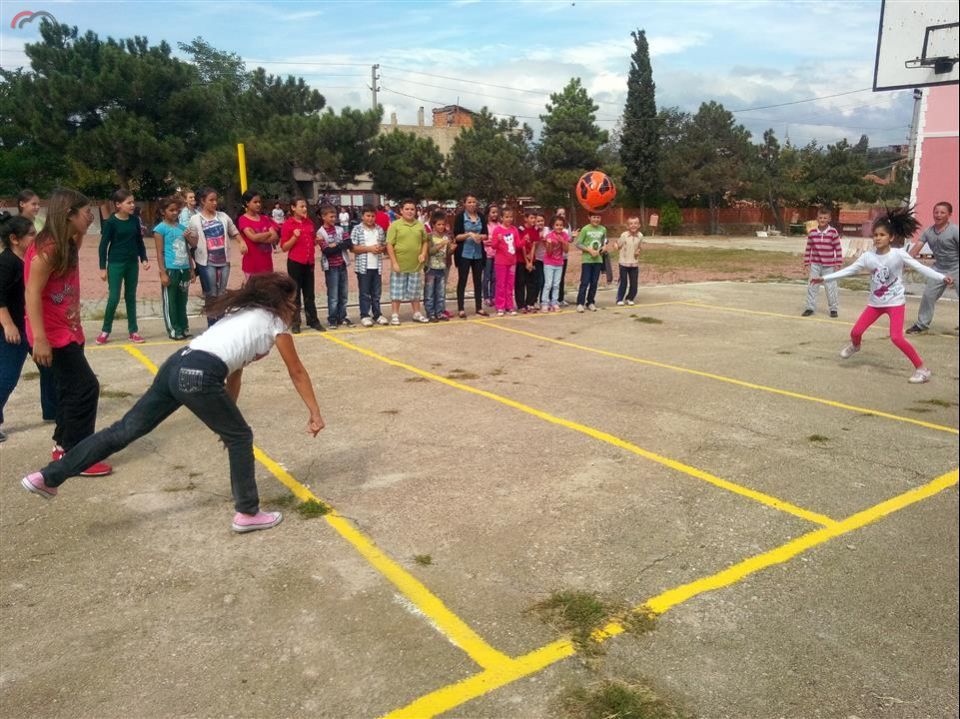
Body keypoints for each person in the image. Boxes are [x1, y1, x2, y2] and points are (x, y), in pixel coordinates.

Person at [21, 273, 325, 534]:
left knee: (123, 430)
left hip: (176, 365)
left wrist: (226, 420)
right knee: (242, 436)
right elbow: (296, 370)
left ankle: (46, 477)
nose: (294, 306)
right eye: (293, 300)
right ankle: (247, 513)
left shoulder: (240, 316)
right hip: (199, 374)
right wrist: (314, 412)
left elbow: (234, 374)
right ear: (281, 301)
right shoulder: (273, 322)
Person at [25, 188, 111, 476]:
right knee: (86, 388)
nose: (90, 217)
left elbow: (79, 233)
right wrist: (39, 339)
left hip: (69, 328)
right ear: (68, 215)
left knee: (69, 390)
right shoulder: (47, 251)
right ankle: (77, 455)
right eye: (85, 212)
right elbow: (32, 294)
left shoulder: (67, 243)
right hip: (51, 334)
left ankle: (63, 446)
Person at [814, 207, 954, 384]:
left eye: (882, 235)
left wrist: (942, 277)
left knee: (896, 337)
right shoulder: (868, 257)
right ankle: (856, 346)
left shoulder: (898, 255)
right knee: (855, 332)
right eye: (875, 235)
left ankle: (922, 369)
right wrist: (824, 278)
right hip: (875, 303)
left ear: (891, 238)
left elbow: (921, 268)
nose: (877, 238)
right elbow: (849, 270)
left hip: (895, 303)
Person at [0, 212, 53, 441]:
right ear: (14, 239)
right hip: (12, 329)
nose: (36, 238)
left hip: (30, 325)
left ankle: (53, 411)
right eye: (31, 235)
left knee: (49, 367)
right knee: (7, 376)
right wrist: (8, 325)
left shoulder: (30, 260)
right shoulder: (6, 262)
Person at [96, 189, 150, 344]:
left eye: (133, 202)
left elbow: (139, 242)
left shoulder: (134, 220)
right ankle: (106, 330)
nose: (133, 205)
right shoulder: (111, 223)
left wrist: (144, 259)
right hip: (115, 263)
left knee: (130, 296)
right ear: (118, 205)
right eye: (129, 202)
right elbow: (103, 245)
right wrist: (102, 267)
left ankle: (133, 331)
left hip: (132, 263)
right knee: (114, 297)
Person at [187, 188, 240, 327]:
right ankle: (212, 323)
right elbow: (193, 243)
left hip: (223, 260)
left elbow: (234, 231)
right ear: (203, 201)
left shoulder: (223, 216)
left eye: (216, 200)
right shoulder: (195, 219)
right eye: (211, 200)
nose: (214, 203)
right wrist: (188, 238)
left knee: (222, 292)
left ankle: (221, 322)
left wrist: (242, 242)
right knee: (211, 293)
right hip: (206, 261)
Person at [906, 201, 959, 334]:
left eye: (942, 212)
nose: (938, 215)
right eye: (936, 212)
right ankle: (922, 325)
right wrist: (904, 261)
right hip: (938, 269)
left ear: (949, 215)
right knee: (928, 295)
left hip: (957, 267)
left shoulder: (955, 231)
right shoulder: (928, 232)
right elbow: (916, 248)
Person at [153, 196, 195, 341]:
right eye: (171, 210)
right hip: (171, 269)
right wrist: (163, 272)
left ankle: (183, 327)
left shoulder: (182, 228)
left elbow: (190, 248)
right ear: (163, 212)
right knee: (170, 301)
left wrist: (191, 268)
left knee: (182, 300)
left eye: (177, 210)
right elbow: (159, 253)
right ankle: (173, 329)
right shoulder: (160, 229)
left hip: (184, 268)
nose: (175, 213)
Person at [280, 198, 323, 334]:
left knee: (309, 293)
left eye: (305, 206)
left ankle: (313, 320)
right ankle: (295, 322)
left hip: (309, 262)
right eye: (301, 206)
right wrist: (294, 237)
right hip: (295, 262)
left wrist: (316, 240)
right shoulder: (288, 225)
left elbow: (311, 241)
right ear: (293, 208)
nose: (304, 209)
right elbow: (284, 247)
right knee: (295, 293)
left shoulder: (309, 222)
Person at [386, 199, 429, 325]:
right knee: (397, 292)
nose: (410, 212)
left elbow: (425, 241)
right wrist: (394, 262)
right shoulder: (395, 225)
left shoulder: (420, 225)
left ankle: (416, 313)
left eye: (412, 209)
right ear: (401, 211)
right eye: (407, 209)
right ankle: (395, 315)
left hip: (415, 265)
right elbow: (389, 244)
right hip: (399, 265)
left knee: (415, 292)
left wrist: (423, 253)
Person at [350, 205, 389, 327]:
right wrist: (369, 249)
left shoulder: (379, 229)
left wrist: (380, 248)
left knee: (376, 293)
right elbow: (353, 248)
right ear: (362, 216)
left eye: (373, 216)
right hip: (363, 267)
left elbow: (383, 245)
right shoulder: (357, 229)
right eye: (368, 216)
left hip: (376, 266)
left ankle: (377, 314)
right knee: (364, 292)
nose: (370, 218)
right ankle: (364, 315)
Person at [802, 208, 842, 318]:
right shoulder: (812, 233)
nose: (822, 220)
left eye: (825, 218)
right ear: (817, 219)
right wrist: (806, 262)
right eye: (820, 218)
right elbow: (808, 248)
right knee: (812, 285)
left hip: (829, 265)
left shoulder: (833, 232)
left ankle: (833, 309)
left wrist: (838, 263)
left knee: (831, 287)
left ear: (829, 219)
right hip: (815, 264)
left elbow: (837, 248)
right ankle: (810, 307)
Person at [452, 194, 488, 319]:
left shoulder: (481, 216)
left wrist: (480, 237)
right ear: (465, 204)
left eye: (474, 202)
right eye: (469, 202)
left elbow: (486, 235)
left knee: (478, 280)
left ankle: (479, 307)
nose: (472, 204)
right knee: (462, 280)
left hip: (478, 253)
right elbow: (456, 236)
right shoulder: (460, 217)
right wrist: (469, 235)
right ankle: (461, 308)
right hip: (464, 253)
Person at [317, 204, 352, 329]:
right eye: (331, 217)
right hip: (331, 267)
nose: (333, 219)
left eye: (334, 217)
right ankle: (332, 318)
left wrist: (335, 245)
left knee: (343, 293)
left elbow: (349, 243)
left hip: (342, 265)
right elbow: (327, 251)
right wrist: (339, 245)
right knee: (333, 295)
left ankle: (342, 316)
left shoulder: (340, 229)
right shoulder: (320, 232)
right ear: (323, 217)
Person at [490, 207, 523, 316]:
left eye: (511, 217)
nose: (509, 219)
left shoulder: (514, 229)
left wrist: (525, 241)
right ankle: (500, 306)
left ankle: (509, 306)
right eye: (506, 217)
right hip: (500, 262)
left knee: (510, 285)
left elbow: (518, 245)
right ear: (502, 218)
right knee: (501, 284)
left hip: (512, 261)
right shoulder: (497, 230)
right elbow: (493, 246)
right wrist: (497, 240)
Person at [236, 190, 277, 280]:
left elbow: (275, 237)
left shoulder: (264, 218)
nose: (258, 204)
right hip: (252, 264)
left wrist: (259, 237)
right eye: (255, 202)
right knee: (254, 292)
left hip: (267, 263)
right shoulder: (243, 219)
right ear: (247, 203)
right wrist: (268, 233)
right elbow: (253, 238)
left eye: (259, 202)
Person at [575, 212, 608, 312]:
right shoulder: (585, 229)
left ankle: (590, 302)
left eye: (598, 217)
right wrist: (589, 250)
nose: (596, 219)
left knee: (594, 282)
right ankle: (580, 303)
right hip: (587, 260)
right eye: (594, 217)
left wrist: (604, 248)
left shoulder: (603, 229)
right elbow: (578, 244)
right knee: (585, 282)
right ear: (589, 217)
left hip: (598, 260)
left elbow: (605, 242)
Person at [424, 210, 451, 322]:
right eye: (438, 224)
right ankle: (430, 313)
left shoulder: (446, 237)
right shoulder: (430, 237)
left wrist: (451, 249)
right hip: (431, 268)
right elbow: (429, 251)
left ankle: (439, 312)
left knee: (440, 292)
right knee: (429, 292)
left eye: (443, 224)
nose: (441, 227)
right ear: (433, 225)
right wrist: (440, 245)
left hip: (442, 267)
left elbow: (447, 252)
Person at [540, 214, 570, 312]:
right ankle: (544, 303)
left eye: (561, 225)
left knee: (556, 284)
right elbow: (548, 253)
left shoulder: (565, 235)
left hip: (559, 263)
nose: (559, 227)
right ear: (553, 226)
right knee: (548, 284)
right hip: (549, 263)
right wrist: (549, 244)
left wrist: (563, 242)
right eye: (557, 225)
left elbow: (566, 251)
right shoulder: (549, 235)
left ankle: (555, 302)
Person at [615, 216, 643, 305]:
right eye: (631, 224)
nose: (633, 225)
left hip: (634, 263)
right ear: (627, 226)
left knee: (634, 283)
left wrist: (638, 251)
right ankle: (619, 299)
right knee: (624, 282)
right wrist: (616, 246)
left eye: (635, 223)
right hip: (623, 263)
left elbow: (639, 247)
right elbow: (617, 244)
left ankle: (630, 298)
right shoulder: (624, 235)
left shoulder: (640, 236)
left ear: (639, 225)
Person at [516, 209, 539, 313]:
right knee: (520, 283)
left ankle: (530, 303)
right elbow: (523, 246)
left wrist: (531, 260)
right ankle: (521, 305)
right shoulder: (520, 229)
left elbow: (534, 245)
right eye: (531, 218)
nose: (534, 220)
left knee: (531, 283)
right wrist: (526, 262)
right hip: (521, 260)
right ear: (526, 219)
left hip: (532, 260)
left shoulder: (535, 229)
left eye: (535, 218)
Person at [483, 204, 501, 308]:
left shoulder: (499, 225)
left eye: (496, 212)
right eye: (492, 212)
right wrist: (491, 240)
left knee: (495, 277)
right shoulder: (485, 225)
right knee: (486, 277)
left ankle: (493, 296)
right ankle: (486, 297)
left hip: (497, 255)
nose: (495, 214)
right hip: (487, 254)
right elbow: (484, 239)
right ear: (488, 213)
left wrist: (494, 241)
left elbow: (500, 238)